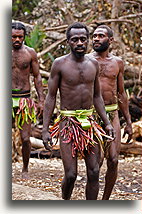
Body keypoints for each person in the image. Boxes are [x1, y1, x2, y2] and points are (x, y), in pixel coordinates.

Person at [42, 22, 115, 200]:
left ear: (88, 40)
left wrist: (106, 123)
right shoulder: (59, 64)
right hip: (68, 123)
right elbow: (50, 97)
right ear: (68, 42)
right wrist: (45, 129)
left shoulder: (93, 64)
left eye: (83, 39)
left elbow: (97, 96)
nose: (80, 43)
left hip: (89, 123)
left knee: (94, 170)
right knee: (71, 174)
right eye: (75, 40)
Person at [87, 25, 133, 200]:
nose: (96, 39)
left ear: (111, 40)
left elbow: (121, 93)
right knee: (95, 164)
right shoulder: (86, 60)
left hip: (112, 113)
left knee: (113, 160)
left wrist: (128, 122)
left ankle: (105, 201)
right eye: (95, 36)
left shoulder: (117, 63)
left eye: (101, 36)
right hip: (92, 115)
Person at [12, 22, 44, 179]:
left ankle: (25, 168)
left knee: (25, 137)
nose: (17, 39)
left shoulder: (30, 53)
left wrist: (41, 100)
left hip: (25, 100)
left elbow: (37, 76)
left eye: (20, 37)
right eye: (14, 37)